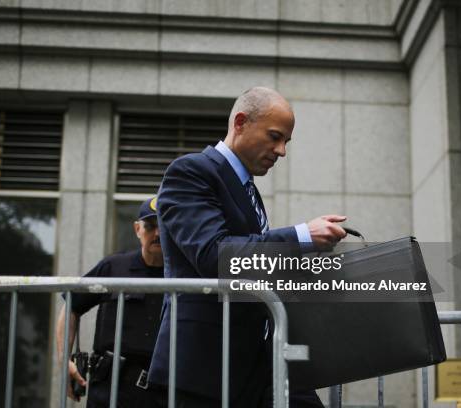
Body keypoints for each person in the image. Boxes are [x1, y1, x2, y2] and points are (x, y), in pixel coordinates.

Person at [148, 87, 348, 407]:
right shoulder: (191, 171)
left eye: (286, 142)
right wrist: (302, 236)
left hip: (252, 360)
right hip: (205, 368)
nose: (281, 150)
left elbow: (253, 261)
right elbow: (215, 255)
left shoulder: (247, 190)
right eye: (274, 136)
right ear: (240, 123)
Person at [55, 197, 166, 408]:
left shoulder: (184, 273)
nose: (158, 234)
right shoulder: (114, 267)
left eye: (164, 227)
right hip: (111, 388)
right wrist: (63, 360)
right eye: (150, 227)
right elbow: (71, 306)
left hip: (162, 390)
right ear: (137, 229)